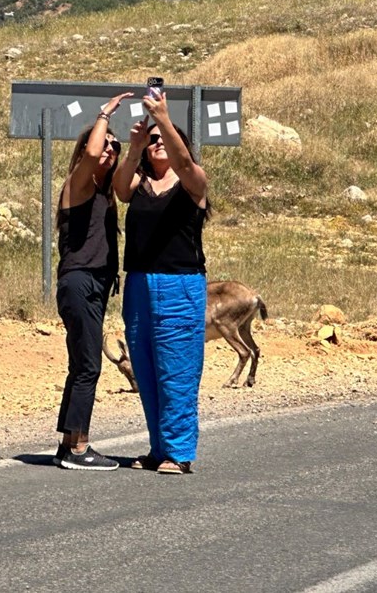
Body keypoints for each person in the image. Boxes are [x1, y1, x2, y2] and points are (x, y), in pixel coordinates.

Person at [112, 91, 209, 475]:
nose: (157, 144)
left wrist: (164, 120)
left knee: (178, 370)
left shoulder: (192, 184)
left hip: (180, 286)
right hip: (139, 284)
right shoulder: (138, 184)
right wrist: (134, 147)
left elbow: (185, 164)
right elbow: (120, 189)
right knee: (148, 370)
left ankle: (180, 452)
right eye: (154, 139)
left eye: (164, 139)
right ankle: (158, 448)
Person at [52, 92, 128, 471]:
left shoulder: (103, 193)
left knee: (80, 365)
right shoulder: (78, 184)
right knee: (89, 367)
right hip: (80, 283)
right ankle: (80, 448)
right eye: (106, 143)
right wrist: (104, 115)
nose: (111, 149)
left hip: (92, 286)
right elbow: (93, 153)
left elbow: (127, 172)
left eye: (117, 145)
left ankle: (68, 443)